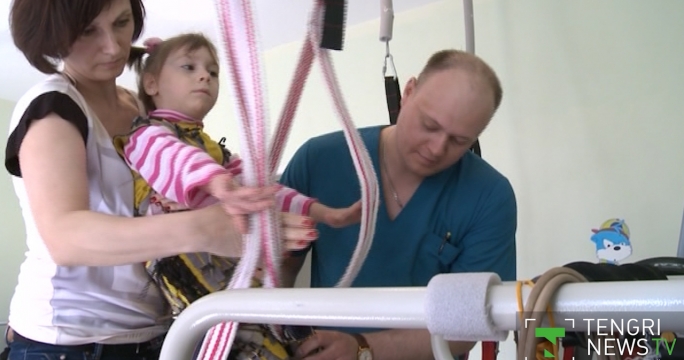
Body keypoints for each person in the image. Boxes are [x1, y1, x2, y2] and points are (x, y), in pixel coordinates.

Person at [2, 1, 317, 359]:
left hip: (157, 333)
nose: (114, 46)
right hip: (68, 343)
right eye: (89, 31)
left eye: (121, 23)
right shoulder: (52, 107)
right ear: (53, 38)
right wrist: (206, 229)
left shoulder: (143, 109)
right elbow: (65, 237)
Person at [279, 49, 518, 360]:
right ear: (408, 92)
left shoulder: (489, 197)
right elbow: (278, 269)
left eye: (459, 141)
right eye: (429, 125)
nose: (436, 148)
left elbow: (465, 327)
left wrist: (364, 350)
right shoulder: (319, 160)